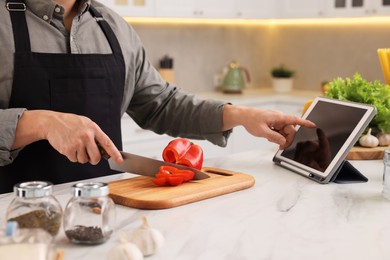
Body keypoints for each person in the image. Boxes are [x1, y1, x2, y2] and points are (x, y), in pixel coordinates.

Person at [0, 0, 315, 193]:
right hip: (16, 216)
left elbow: (161, 104)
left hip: (103, 209)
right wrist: (40, 122)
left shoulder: (115, 28)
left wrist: (242, 115)